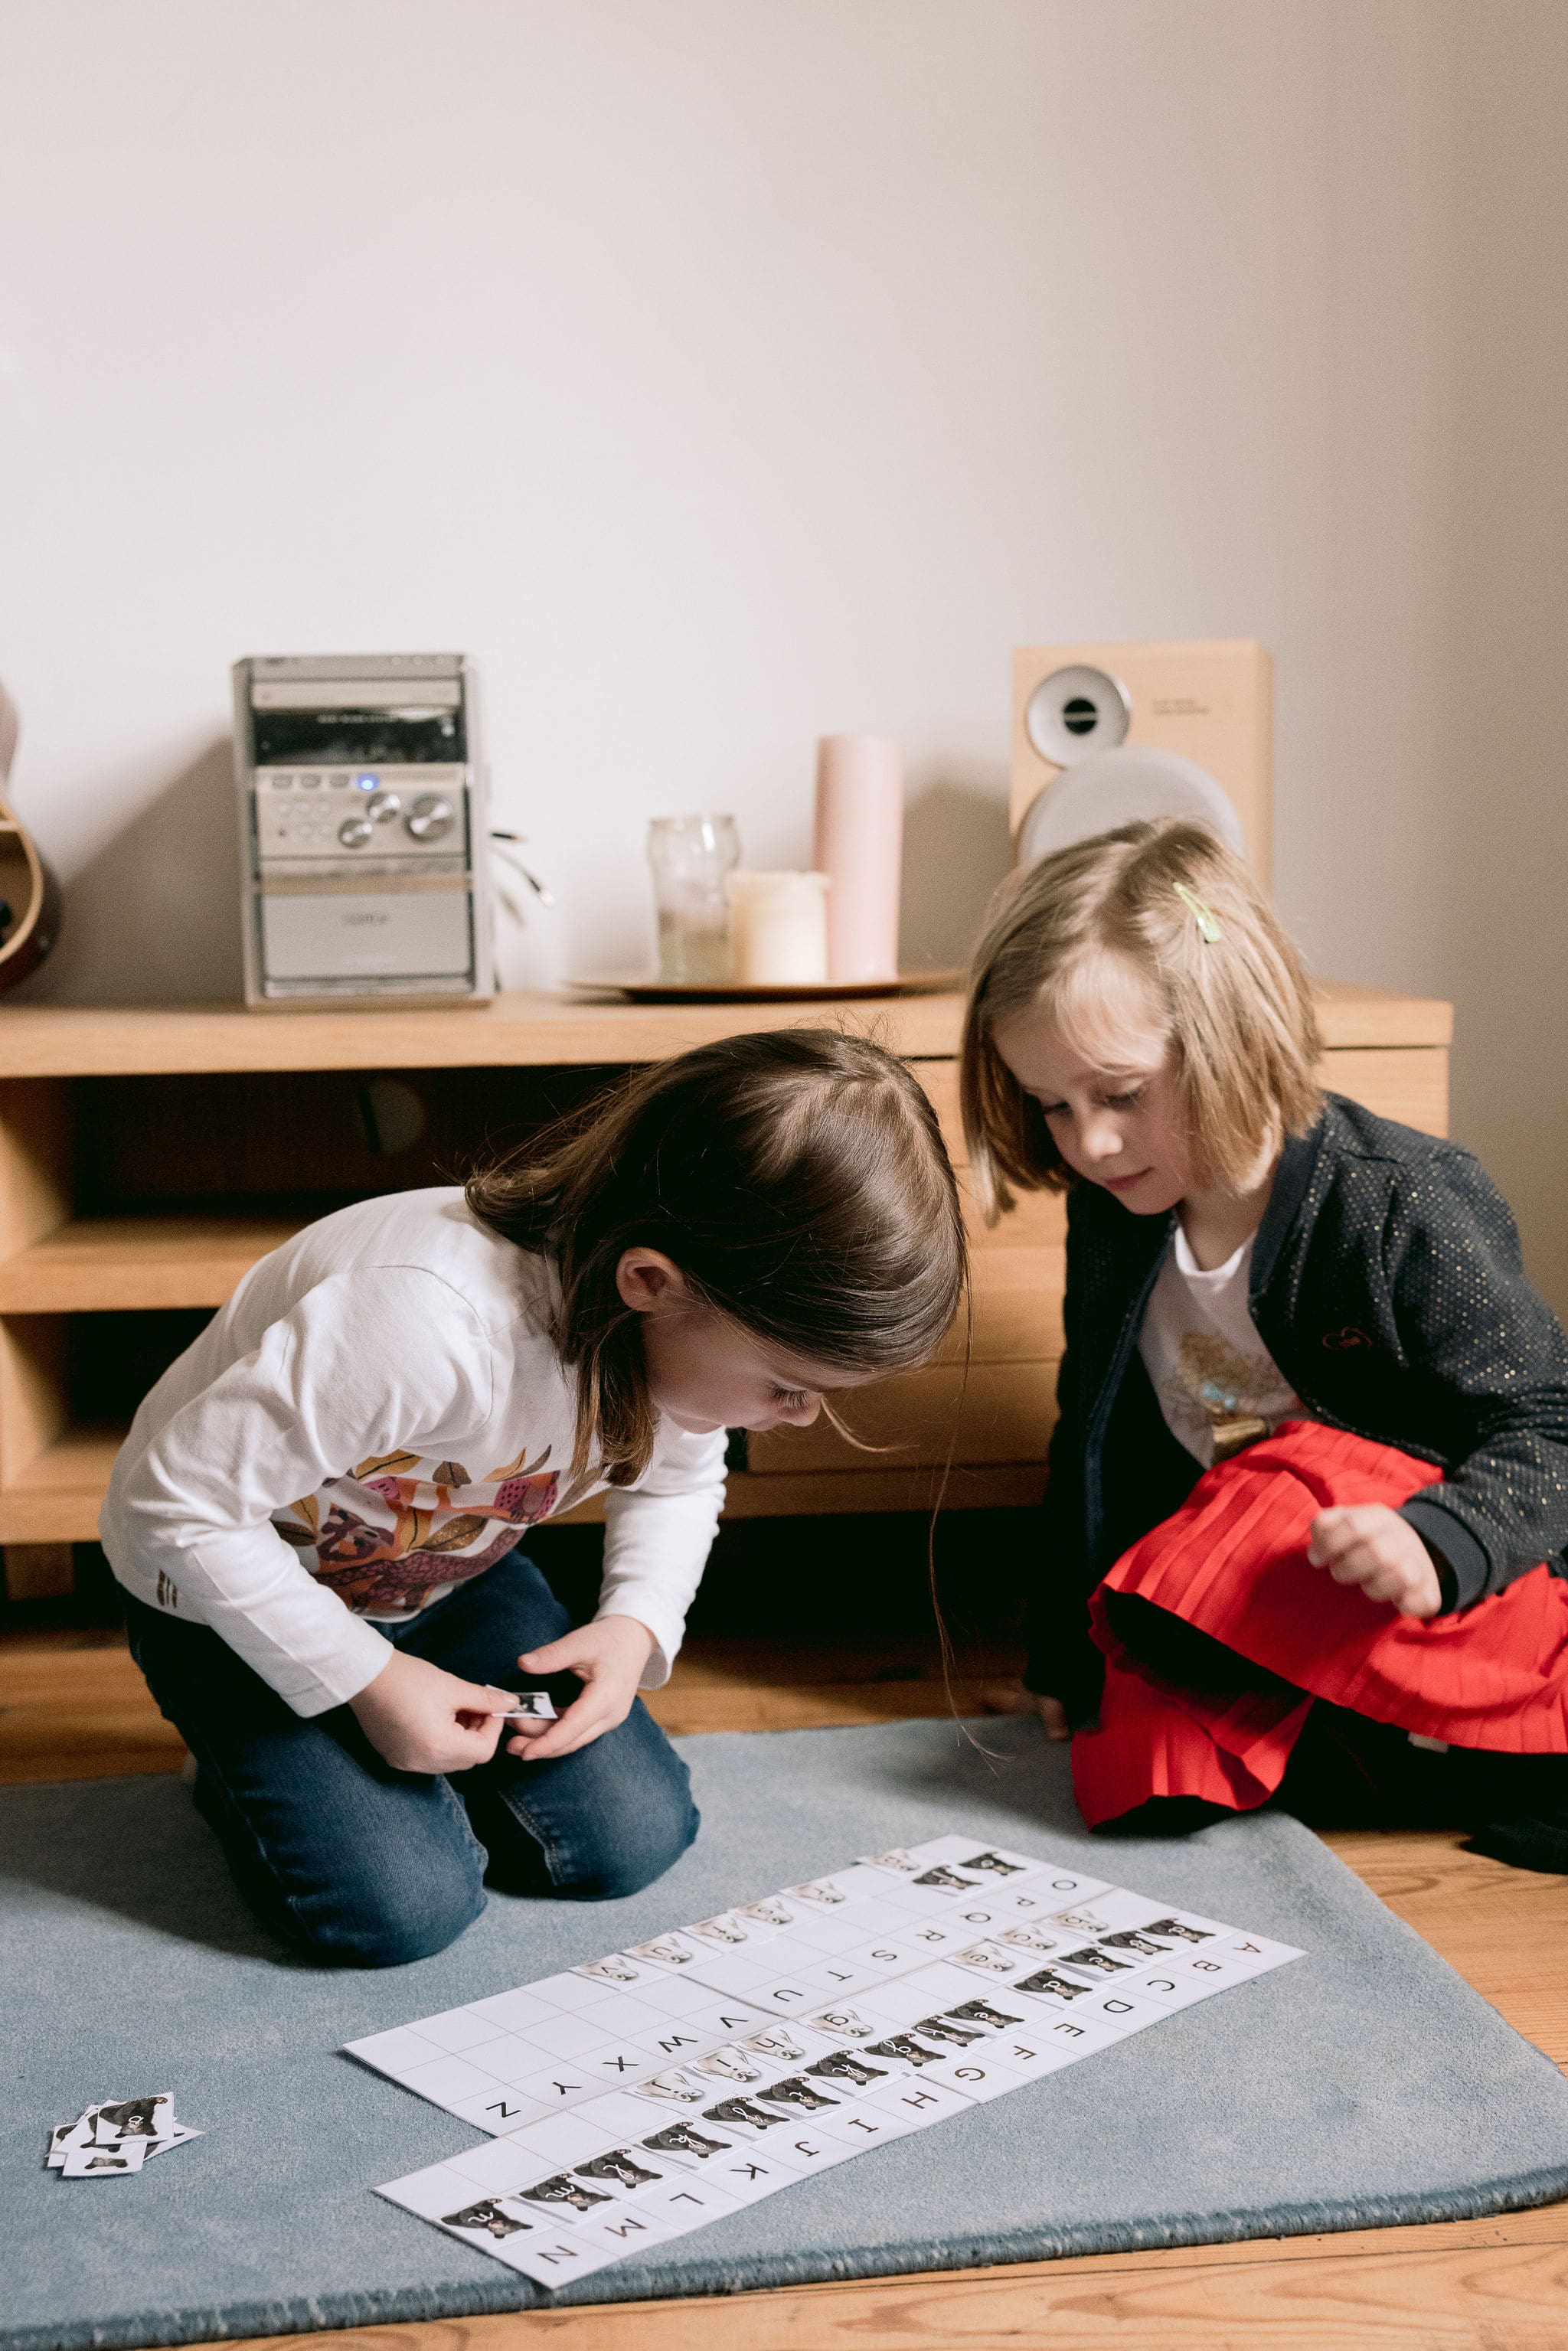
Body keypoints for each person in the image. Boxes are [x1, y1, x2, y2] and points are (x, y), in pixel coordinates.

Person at [103, 1029, 966, 1964]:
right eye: (788, 1387)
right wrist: (368, 1681)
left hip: (446, 1577)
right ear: (649, 1282)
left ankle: (404, 1754)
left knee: (628, 1836)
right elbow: (180, 1506)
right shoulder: (421, 1323)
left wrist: (634, 1623)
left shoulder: (673, 1323)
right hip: (227, 1593)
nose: (798, 1419)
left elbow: (680, 1475)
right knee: (401, 1909)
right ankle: (238, 1766)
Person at [962, 818, 1568, 1870]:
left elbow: (1548, 1419)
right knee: (1139, 1779)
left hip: (1444, 1587)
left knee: (1278, 1483)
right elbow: (1092, 1435)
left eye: (1119, 1094)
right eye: (1050, 1103)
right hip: (1252, 1596)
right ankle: (1386, 1744)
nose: (1087, 1141)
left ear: (1231, 1033)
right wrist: (1064, 1650)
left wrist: (1439, 1539)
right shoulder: (1114, 1211)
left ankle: (1452, 1730)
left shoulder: (1399, 1199)